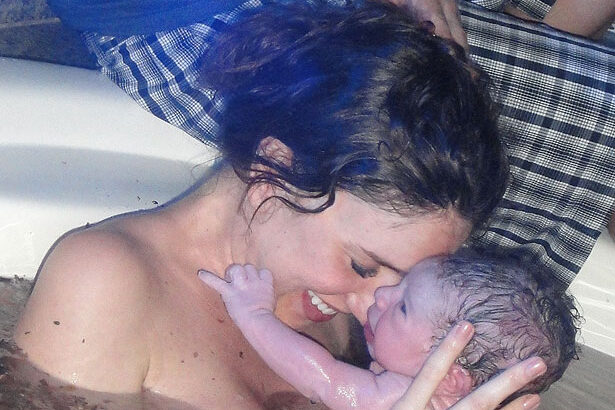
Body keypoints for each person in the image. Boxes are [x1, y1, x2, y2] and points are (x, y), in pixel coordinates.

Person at [13, 2, 546, 409]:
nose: (370, 307)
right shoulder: (104, 284)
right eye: (362, 266)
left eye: (413, 280)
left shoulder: (372, 320)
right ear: (273, 168)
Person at [199, 254, 580, 409]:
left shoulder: (399, 395)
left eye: (403, 307)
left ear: (448, 376)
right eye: (402, 284)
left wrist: (254, 314)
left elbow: (323, 380)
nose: (381, 295)